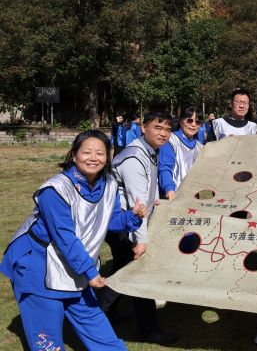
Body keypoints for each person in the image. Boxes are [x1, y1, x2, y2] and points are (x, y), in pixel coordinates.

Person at [0, 130, 147, 350]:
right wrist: (90, 272)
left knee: (99, 329)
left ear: (107, 157)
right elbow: (64, 237)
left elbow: (110, 219)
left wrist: (133, 217)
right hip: (38, 265)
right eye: (86, 152)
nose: (93, 158)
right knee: (48, 340)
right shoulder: (55, 189)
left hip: (75, 263)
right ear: (74, 155)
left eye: (100, 153)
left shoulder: (109, 183)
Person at [103, 111, 179, 345]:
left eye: (167, 129)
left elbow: (145, 192)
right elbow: (137, 205)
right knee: (139, 275)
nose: (163, 133)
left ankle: (103, 312)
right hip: (122, 224)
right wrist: (141, 241)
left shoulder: (149, 151)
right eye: (158, 127)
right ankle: (148, 330)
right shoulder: (135, 157)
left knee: (122, 270)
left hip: (124, 222)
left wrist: (154, 201)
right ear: (143, 128)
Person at [158, 106, 204, 200]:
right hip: (173, 196)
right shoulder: (170, 140)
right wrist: (169, 189)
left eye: (198, 122)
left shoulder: (200, 147)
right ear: (180, 120)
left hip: (193, 197)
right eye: (189, 120)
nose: (193, 124)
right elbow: (164, 168)